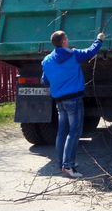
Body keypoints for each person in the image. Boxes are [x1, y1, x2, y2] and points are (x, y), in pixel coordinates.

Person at [41, 30, 105, 178]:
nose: (68, 39)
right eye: (67, 37)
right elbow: (90, 52)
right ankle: (68, 166)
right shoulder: (73, 55)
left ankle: (62, 163)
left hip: (59, 101)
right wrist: (99, 40)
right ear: (63, 41)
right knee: (74, 132)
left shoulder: (47, 60)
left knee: (62, 131)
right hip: (73, 100)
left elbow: (45, 80)